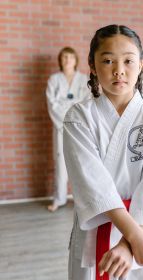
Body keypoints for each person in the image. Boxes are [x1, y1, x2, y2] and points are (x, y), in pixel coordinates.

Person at [63, 25, 143, 280]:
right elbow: (93, 185)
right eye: (107, 60)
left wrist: (130, 244)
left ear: (140, 65)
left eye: (128, 60)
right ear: (92, 66)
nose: (119, 69)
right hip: (98, 232)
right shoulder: (78, 118)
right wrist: (135, 237)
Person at [46, 46, 90, 212]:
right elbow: (52, 104)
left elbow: (85, 103)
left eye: (70, 57)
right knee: (61, 162)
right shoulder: (54, 80)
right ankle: (59, 198)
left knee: (81, 163)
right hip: (61, 127)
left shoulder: (83, 79)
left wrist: (68, 107)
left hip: (79, 127)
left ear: (76, 60)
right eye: (64, 57)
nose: (67, 60)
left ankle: (83, 201)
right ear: (60, 60)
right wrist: (70, 108)